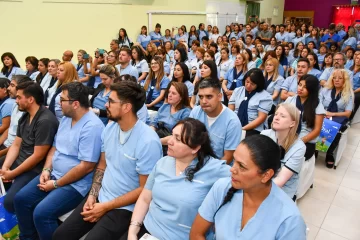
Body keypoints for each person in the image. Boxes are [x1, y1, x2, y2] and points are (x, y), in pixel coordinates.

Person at [52, 81, 162, 240]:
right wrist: (92, 195)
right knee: (60, 236)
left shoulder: (148, 141)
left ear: (126, 107)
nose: (106, 105)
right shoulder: (110, 128)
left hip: (125, 208)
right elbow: (102, 166)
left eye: (111, 101)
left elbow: (145, 189)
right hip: (101, 196)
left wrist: (105, 207)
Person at [13, 82, 104, 240]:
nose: (58, 103)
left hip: (75, 184)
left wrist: (56, 184)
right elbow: (54, 148)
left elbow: (86, 167)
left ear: (75, 104)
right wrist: (46, 170)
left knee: (42, 214)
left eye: (62, 100)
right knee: (21, 199)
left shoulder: (92, 127)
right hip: (54, 174)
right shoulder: (66, 119)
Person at [125, 119, 231, 240]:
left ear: (195, 148)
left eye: (177, 139)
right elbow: (145, 198)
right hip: (147, 232)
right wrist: (132, 232)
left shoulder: (215, 170)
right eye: (172, 135)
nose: (169, 141)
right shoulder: (163, 163)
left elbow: (244, 177)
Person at [190, 134, 307, 239]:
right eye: (234, 161)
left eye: (241, 166)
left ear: (266, 175)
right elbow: (196, 234)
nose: (232, 169)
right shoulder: (222, 188)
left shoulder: (289, 219)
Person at [0, 81, 59, 213]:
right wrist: (5, 167)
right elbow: (16, 144)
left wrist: (12, 173)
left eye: (19, 97)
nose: (16, 101)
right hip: (20, 160)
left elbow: (38, 156)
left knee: (11, 201)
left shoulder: (45, 121)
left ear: (31, 99)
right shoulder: (25, 116)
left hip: (34, 168)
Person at [190, 78, 241, 164]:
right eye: (201, 97)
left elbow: (228, 157)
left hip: (218, 167)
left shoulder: (232, 122)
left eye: (209, 97)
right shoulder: (196, 111)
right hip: (194, 161)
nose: (203, 101)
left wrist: (207, 171)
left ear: (219, 97)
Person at [261, 103, 306, 200]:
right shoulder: (264, 135)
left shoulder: (299, 147)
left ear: (292, 123)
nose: (276, 118)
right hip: (261, 182)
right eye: (276, 114)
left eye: (282, 116)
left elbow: (280, 180)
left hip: (282, 191)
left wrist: (255, 189)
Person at [285, 74, 325, 160]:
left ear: (312, 90)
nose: (300, 88)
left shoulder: (317, 105)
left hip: (306, 139)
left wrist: (300, 141)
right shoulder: (290, 100)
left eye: (305, 87)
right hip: (287, 135)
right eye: (300, 85)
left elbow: (317, 130)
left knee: (294, 156)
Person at [320, 69, 353, 168]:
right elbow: (318, 103)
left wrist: (332, 114)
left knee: (336, 128)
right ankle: (315, 149)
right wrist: (323, 113)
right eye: (334, 78)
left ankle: (329, 153)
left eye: (340, 78)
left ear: (345, 80)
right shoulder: (325, 90)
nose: (336, 80)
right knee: (316, 122)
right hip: (323, 114)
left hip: (337, 118)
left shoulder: (349, 94)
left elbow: (347, 113)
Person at [150, 82, 191, 155]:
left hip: (172, 145)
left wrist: (156, 141)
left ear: (181, 97)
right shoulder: (164, 107)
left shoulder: (186, 112)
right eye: (169, 92)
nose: (169, 95)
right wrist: (151, 135)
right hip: (157, 138)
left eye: (173, 93)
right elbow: (154, 123)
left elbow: (179, 135)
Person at [229, 69, 273, 137]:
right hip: (235, 124)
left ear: (258, 84)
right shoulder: (237, 91)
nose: (248, 85)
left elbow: (261, 118)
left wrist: (242, 129)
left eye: (252, 84)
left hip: (254, 128)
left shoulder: (266, 97)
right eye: (247, 82)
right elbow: (230, 111)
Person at [0, 75, 31, 161]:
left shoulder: (27, 112)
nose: (8, 88)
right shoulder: (14, 104)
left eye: (12, 85)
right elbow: (9, 128)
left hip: (14, 150)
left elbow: (18, 144)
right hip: (6, 145)